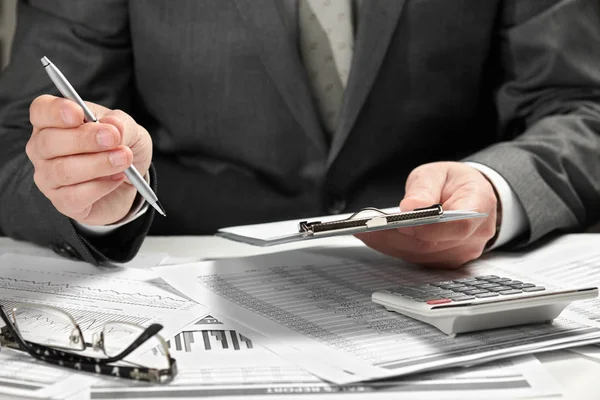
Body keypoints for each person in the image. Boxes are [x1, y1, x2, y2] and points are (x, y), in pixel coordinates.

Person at [0, 0, 599, 267]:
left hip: (436, 291)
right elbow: (15, 143)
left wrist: (497, 189)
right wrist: (90, 193)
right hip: (187, 292)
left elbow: (581, 106)